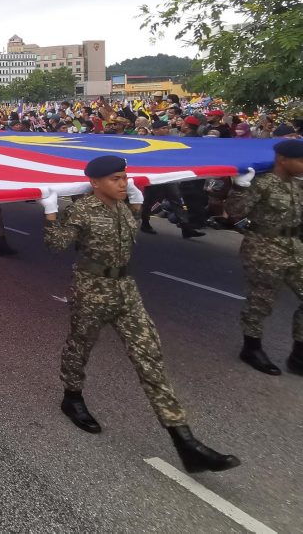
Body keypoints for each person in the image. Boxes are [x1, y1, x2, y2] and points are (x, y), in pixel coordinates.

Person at [41, 155, 239, 473]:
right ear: (95, 183)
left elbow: (129, 237)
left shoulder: (123, 206)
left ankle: (185, 442)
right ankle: (72, 396)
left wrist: (134, 206)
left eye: (125, 178)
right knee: (80, 347)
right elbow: (56, 246)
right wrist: (51, 211)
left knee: (150, 358)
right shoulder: (81, 210)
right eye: (116, 179)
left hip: (126, 291)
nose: (124, 183)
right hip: (91, 290)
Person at [225, 140, 303, 375]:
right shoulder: (263, 184)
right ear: (282, 160)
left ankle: (299, 355)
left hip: (294, 247)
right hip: (263, 248)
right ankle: (252, 348)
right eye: (300, 160)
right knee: (261, 301)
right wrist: (240, 188)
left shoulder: (296, 186)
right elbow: (236, 213)